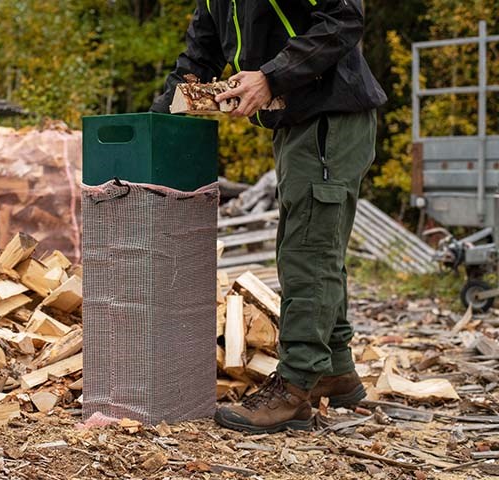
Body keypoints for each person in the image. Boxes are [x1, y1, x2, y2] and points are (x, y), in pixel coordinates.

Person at [151, 0, 387, 433]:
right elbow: (199, 59)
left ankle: (295, 390)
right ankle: (334, 369)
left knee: (308, 251)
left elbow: (344, 17)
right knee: (311, 245)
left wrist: (271, 77)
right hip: (296, 121)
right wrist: (154, 123)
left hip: (329, 116)